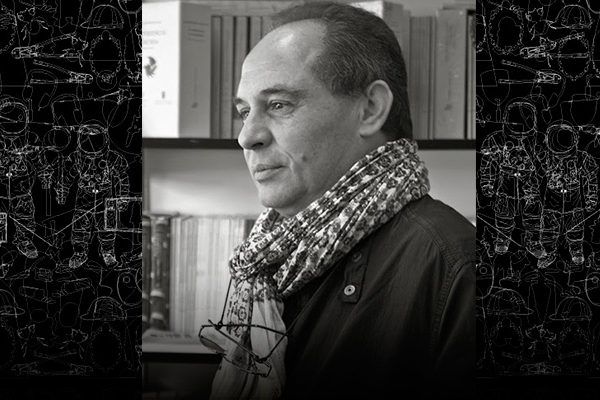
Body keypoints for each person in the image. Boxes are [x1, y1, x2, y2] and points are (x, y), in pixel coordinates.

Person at [201, 2, 475, 399]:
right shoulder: (264, 262)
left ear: (370, 109)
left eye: (278, 105)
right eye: (244, 112)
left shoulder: (458, 268)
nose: (246, 137)